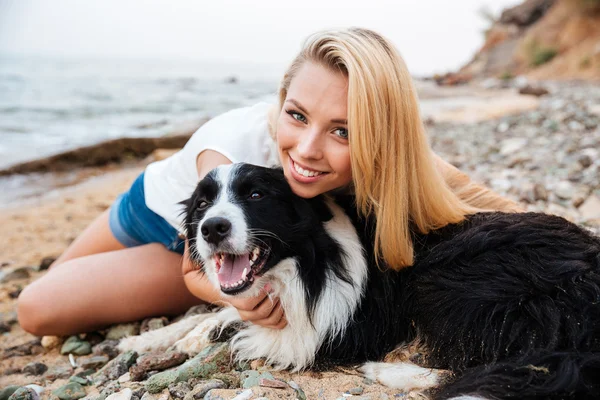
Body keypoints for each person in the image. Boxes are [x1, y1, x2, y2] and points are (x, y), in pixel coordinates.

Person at [17, 27, 522, 337]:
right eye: (297, 115)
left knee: (38, 310)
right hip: (152, 212)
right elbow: (199, 270)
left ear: (379, 135)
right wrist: (234, 297)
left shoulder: (397, 157)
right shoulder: (228, 145)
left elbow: (481, 200)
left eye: (342, 130)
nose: (306, 150)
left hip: (228, 248)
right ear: (280, 101)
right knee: (41, 299)